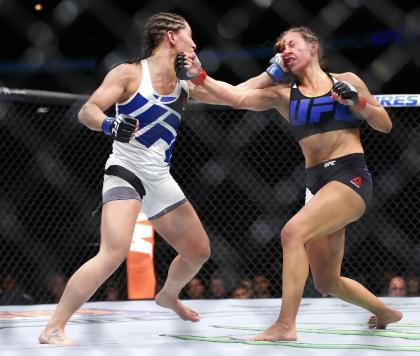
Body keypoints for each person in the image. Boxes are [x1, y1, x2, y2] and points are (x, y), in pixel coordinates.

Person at [176, 26, 402, 341]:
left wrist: (359, 102)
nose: (285, 51)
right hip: (317, 184)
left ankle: (285, 324)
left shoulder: (346, 79)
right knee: (326, 281)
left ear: (313, 47)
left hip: (350, 176)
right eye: (281, 48)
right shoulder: (283, 93)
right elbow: (236, 96)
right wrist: (198, 75)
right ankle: (385, 312)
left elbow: (385, 125)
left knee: (291, 232)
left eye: (292, 44)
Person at [38, 11, 228, 345]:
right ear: (171, 36)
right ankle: (54, 326)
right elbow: (88, 111)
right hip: (126, 171)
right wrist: (110, 125)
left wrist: (278, 77)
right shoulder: (129, 73)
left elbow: (236, 95)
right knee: (113, 252)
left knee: (198, 251)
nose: (195, 43)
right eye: (189, 35)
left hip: (160, 177)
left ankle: (168, 295)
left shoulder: (186, 82)